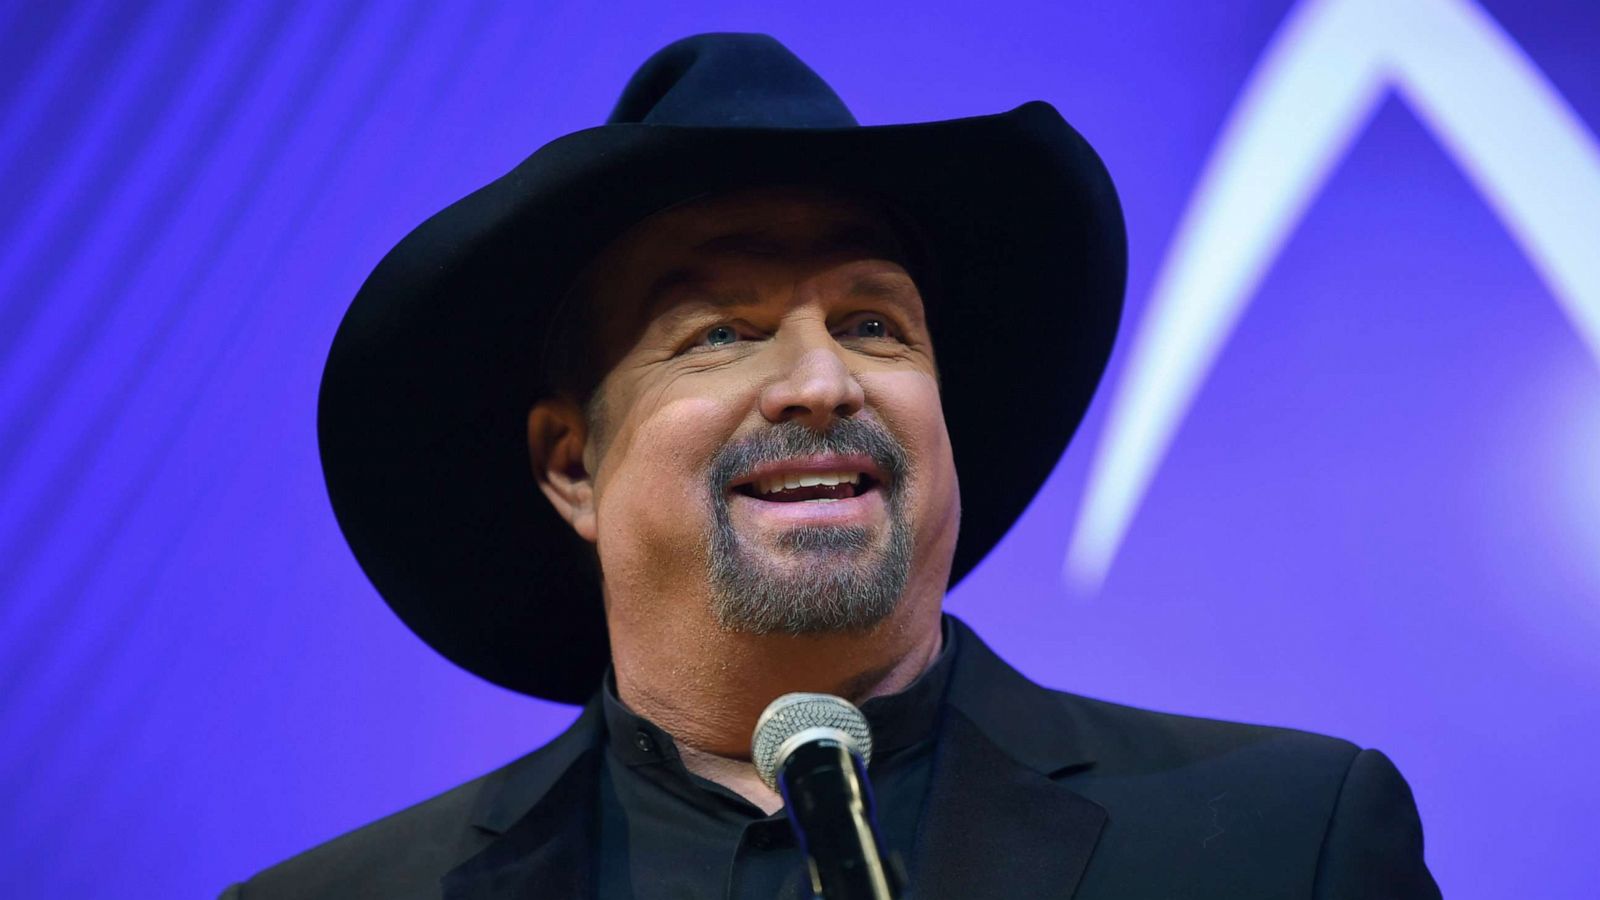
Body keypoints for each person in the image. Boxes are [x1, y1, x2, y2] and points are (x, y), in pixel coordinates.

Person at [223, 33, 1440, 899]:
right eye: (720, 333)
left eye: (872, 324)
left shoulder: (1283, 846)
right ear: (571, 465)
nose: (821, 381)